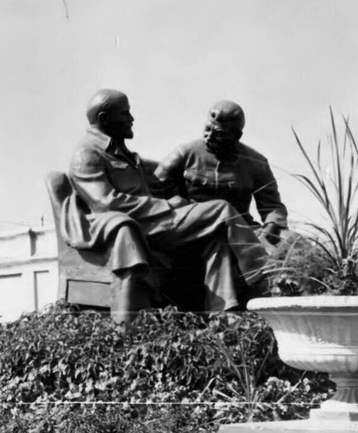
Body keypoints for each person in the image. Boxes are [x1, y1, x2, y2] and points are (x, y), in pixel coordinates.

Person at [63, 88, 269, 321]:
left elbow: (155, 175)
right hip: (143, 227)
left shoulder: (118, 151)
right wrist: (168, 205)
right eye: (125, 114)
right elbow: (106, 202)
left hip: (152, 222)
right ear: (104, 119)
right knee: (221, 210)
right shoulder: (87, 154)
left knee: (217, 237)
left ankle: (223, 314)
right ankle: (265, 277)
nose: (131, 119)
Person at [155, 100, 288, 248]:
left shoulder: (257, 163)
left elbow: (273, 207)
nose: (209, 136)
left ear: (237, 135)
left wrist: (271, 226)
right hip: (194, 225)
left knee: (292, 243)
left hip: (241, 227)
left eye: (219, 134)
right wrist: (177, 203)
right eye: (207, 128)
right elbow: (155, 188)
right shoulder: (184, 153)